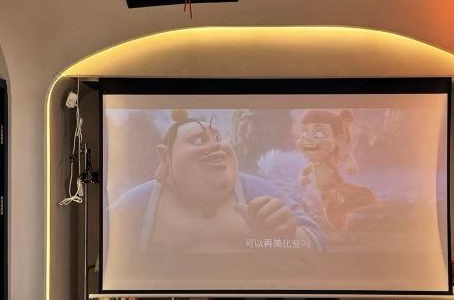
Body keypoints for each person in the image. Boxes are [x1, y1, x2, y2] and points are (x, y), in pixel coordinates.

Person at [105, 109, 325, 254]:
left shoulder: (256, 190)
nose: (216, 146)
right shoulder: (139, 203)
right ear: (165, 155)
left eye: (217, 137)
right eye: (199, 139)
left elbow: (317, 240)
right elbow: (102, 244)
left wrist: (290, 235)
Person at [298, 109, 376, 230]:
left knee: (366, 196)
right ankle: (340, 213)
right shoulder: (314, 163)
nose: (308, 140)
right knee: (334, 209)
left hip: (337, 187)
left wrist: (351, 164)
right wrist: (303, 178)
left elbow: (346, 154)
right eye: (304, 135)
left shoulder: (332, 156)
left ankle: (342, 209)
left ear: (337, 139)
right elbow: (305, 171)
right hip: (327, 193)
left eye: (318, 135)